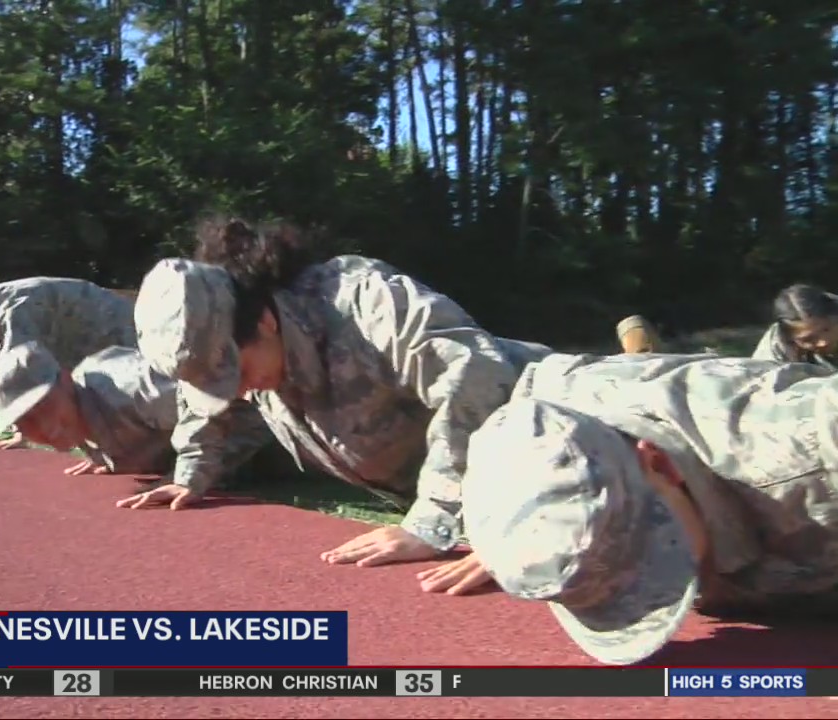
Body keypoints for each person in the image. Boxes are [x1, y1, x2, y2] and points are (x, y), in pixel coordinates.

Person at [119, 216, 552, 593]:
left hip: (553, 441)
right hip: (468, 485)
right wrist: (191, 474)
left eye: (239, 373)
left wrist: (432, 520)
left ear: (264, 322)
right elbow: (201, 399)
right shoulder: (240, 346)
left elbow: (475, 380)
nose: (238, 393)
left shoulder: (364, 303)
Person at [457, 351, 838, 665]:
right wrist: (519, 533)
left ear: (659, 464)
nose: (658, 595)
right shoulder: (545, 409)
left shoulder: (805, 442)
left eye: (656, 558)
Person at [0, 342, 271, 485]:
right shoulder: (77, 416)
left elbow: (224, 402)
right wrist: (110, 455)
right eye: (25, 420)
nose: (43, 426)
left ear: (67, 380)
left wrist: (187, 477)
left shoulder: (133, 389)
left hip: (275, 439)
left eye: (44, 406)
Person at [0, 275, 137, 450]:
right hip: (78, 333)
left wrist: (23, 432)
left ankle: (133, 448)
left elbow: (27, 381)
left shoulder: (14, 316)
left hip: (112, 323)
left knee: (117, 388)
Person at [751, 283, 838, 369]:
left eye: (826, 329)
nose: (823, 342)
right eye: (808, 339)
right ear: (789, 338)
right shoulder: (775, 351)